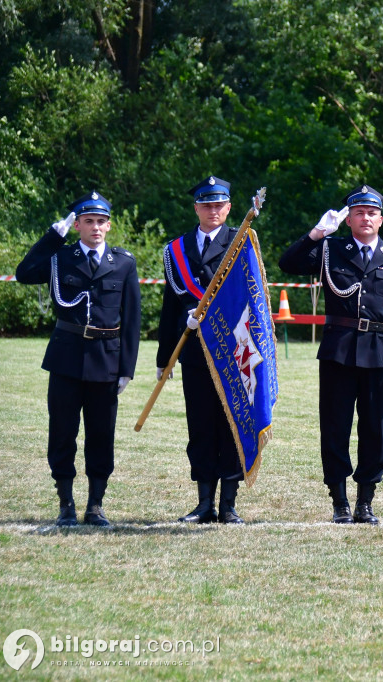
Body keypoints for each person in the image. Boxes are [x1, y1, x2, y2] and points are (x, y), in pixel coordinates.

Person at [279, 185, 383, 525]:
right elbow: (288, 263)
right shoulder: (330, 250)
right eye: (358, 213)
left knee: (374, 429)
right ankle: (339, 501)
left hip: (380, 354)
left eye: (371, 213)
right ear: (349, 219)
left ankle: (365, 501)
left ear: (380, 219)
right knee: (335, 427)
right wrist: (317, 232)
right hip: (338, 352)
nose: (365, 218)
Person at [15, 191, 141, 527]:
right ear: (78, 225)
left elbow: (131, 321)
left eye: (101, 221)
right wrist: (53, 234)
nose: (96, 227)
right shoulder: (61, 258)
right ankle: (66, 504)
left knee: (101, 435)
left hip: (106, 360)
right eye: (88, 221)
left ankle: (95, 506)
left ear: (109, 225)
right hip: (67, 358)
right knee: (62, 433)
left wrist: (127, 368)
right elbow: (24, 272)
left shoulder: (124, 262)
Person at [157, 176, 246, 524]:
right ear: (196, 208)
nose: (213, 210)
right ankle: (204, 502)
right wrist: (165, 356)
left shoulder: (242, 242)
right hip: (194, 350)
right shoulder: (177, 249)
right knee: (201, 425)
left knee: (230, 425)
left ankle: (228, 503)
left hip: (231, 351)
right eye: (206, 205)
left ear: (228, 207)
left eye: (219, 204)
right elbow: (169, 306)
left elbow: (248, 298)